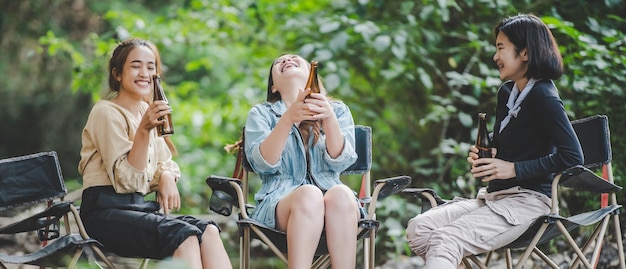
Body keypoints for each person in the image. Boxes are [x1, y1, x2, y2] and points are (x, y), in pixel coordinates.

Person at [405, 14, 584, 269]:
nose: (495, 57)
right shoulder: (508, 92)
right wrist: (484, 150)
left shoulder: (544, 97)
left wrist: (514, 169)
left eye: (501, 48)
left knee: (447, 238)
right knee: (419, 227)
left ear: (525, 52)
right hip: (493, 198)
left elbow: (573, 157)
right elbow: (505, 141)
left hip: (528, 202)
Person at [78, 38, 232, 269]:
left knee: (208, 230)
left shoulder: (146, 110)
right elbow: (127, 182)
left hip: (137, 209)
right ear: (117, 74)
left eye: (151, 67)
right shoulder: (105, 112)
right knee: (185, 235)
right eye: (135, 65)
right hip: (104, 213)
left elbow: (164, 161)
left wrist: (167, 176)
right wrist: (144, 129)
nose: (144, 73)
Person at [243, 54, 362, 268]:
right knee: (309, 193)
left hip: (336, 208)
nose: (286, 59)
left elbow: (340, 162)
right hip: (280, 205)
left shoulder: (338, 110)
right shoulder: (261, 114)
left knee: (342, 193)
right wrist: (288, 118)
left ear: (311, 75)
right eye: (278, 61)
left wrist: (328, 118)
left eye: (294, 58)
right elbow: (263, 163)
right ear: (273, 88)